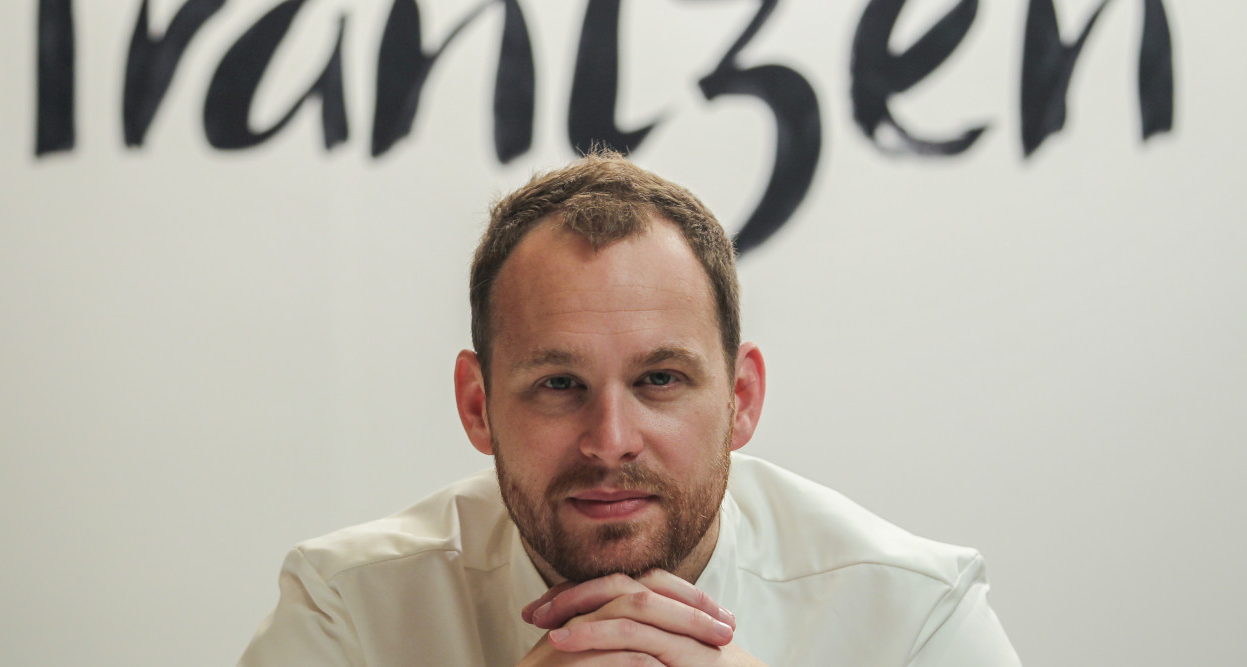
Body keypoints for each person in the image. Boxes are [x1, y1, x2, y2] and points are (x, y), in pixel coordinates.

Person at [237, 152, 1020, 666]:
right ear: (477, 406)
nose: (610, 441)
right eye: (558, 384)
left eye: (661, 380)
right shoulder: (348, 611)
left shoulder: (914, 614)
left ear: (740, 399)